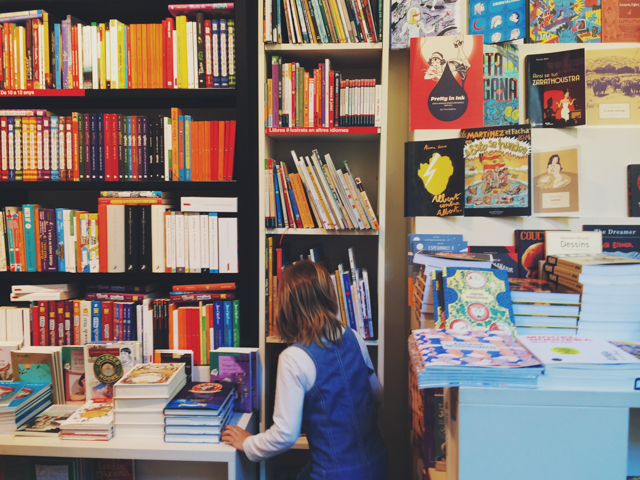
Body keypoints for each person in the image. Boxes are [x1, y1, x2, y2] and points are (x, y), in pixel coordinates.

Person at [222, 260, 388, 480]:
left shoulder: (293, 358)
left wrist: (248, 442)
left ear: (286, 305)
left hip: (334, 474)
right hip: (377, 464)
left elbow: (285, 436)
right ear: (329, 294)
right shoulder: (354, 337)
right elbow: (377, 395)